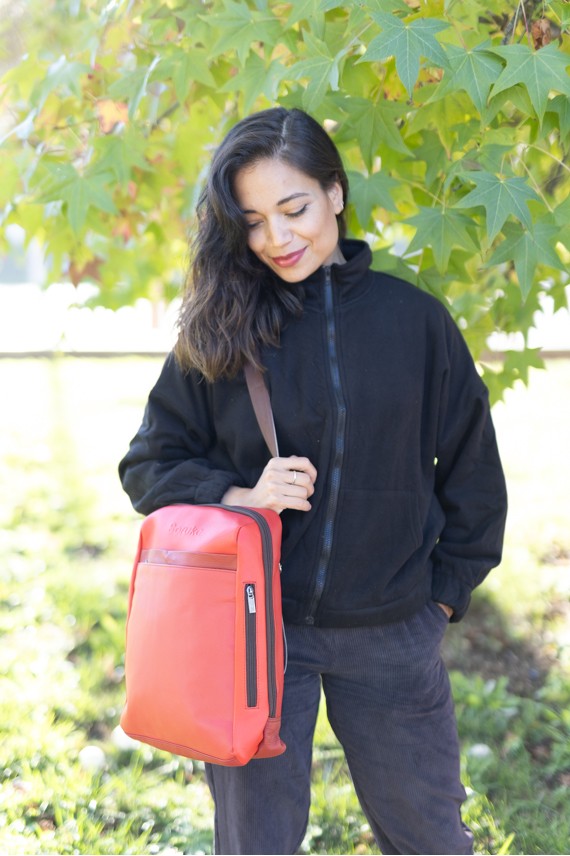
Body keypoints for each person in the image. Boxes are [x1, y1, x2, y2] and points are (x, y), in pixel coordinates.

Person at [119, 106, 508, 855]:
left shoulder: (416, 322)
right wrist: (240, 495)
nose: (277, 238)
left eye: (293, 208)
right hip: (256, 632)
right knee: (256, 844)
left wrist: (443, 598)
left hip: (395, 629)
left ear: (335, 192)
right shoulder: (222, 328)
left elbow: (472, 472)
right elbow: (148, 463)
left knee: (430, 837)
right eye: (255, 221)